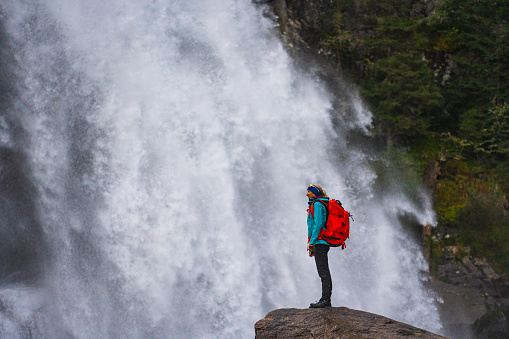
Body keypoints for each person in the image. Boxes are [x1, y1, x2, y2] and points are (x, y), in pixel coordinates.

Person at [306, 184, 332, 308]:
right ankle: (325, 298)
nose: (307, 194)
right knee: (323, 271)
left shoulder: (317, 204)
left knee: (323, 272)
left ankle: (326, 300)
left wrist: (312, 241)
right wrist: (311, 245)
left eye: (309, 192)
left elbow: (317, 224)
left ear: (315, 193)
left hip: (320, 242)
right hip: (319, 242)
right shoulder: (317, 203)